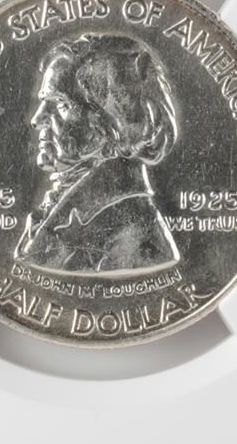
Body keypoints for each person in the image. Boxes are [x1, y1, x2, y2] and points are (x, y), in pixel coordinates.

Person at [14, 33, 180, 275]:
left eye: (61, 104)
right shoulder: (74, 200)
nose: (37, 119)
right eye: (43, 103)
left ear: (111, 122)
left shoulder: (133, 230)